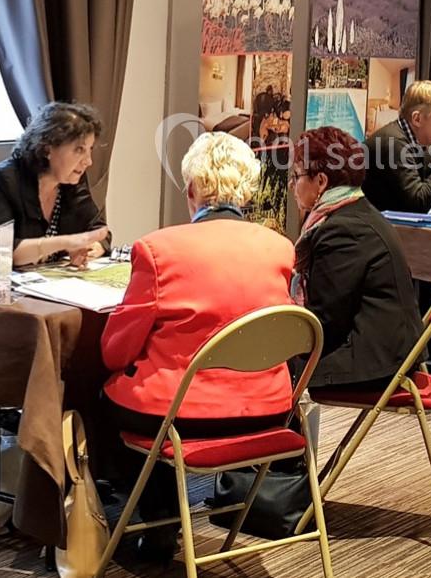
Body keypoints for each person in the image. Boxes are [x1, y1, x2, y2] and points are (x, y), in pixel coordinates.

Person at [100, 132, 296, 561]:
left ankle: (156, 519)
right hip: (268, 410)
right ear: (247, 190)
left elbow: (115, 351)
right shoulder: (280, 248)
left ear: (190, 189)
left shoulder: (158, 250)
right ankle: (162, 519)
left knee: (104, 394)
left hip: (183, 414)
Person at [290, 127, 423, 391]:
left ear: (321, 182)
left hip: (372, 363)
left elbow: (325, 324)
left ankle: (282, 431)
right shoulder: (356, 211)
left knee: (264, 363)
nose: (293, 185)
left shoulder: (341, 231)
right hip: (388, 349)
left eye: (297, 176)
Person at [0, 101, 110, 271]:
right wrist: (66, 243)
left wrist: (91, 248)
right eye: (79, 150)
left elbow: (99, 230)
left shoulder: (72, 181)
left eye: (90, 150)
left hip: (37, 287)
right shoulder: (0, 181)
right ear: (47, 149)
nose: (88, 161)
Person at [363, 80, 431, 213]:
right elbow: (417, 203)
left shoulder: (419, 141)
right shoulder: (392, 142)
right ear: (417, 119)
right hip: (374, 230)